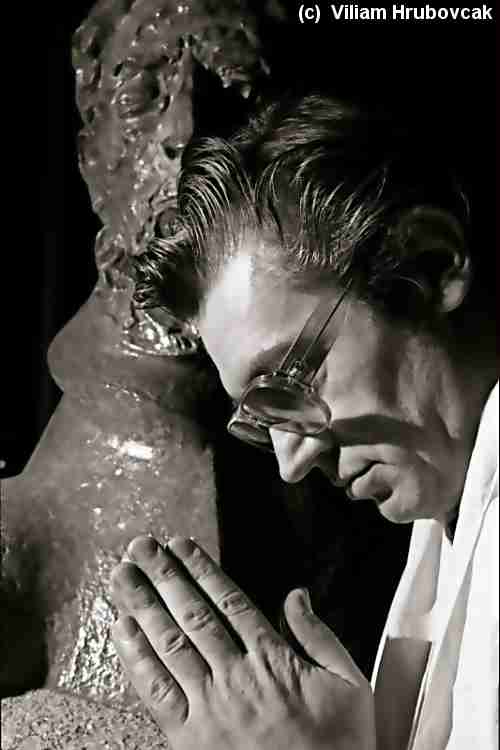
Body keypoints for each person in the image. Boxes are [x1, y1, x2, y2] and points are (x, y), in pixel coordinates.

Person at [109, 93, 498, 749]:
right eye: (263, 419)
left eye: (290, 381)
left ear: (428, 266)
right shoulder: (445, 534)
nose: (293, 463)